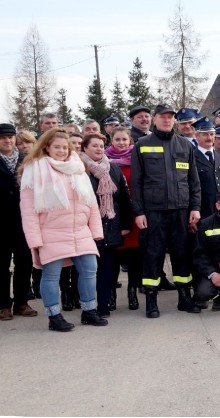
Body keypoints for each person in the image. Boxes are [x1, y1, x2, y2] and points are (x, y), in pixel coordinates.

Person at [19, 128, 107, 331]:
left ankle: (89, 311)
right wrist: (35, 240)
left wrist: (96, 231)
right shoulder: (34, 170)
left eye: (64, 147)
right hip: (51, 233)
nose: (61, 151)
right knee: (51, 275)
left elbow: (91, 202)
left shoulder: (78, 168)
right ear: (47, 147)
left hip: (80, 231)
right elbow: (28, 210)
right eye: (56, 147)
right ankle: (54, 316)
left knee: (89, 270)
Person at [131, 104, 203, 318]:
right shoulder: (142, 145)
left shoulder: (185, 145)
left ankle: (184, 298)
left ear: (175, 120)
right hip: (154, 212)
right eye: (163, 117)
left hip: (181, 211)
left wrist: (196, 208)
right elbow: (136, 183)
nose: (167, 120)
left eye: (171, 117)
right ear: (155, 120)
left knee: (182, 256)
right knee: (153, 256)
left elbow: (193, 181)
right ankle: (151, 301)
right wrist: (139, 212)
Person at [81, 133, 132, 317]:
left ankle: (103, 305)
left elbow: (125, 198)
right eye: (94, 145)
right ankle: (88, 305)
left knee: (107, 269)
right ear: (84, 148)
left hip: (111, 226)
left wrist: (126, 224)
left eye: (102, 146)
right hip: (87, 228)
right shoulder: (80, 169)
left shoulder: (112, 169)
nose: (99, 149)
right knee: (88, 270)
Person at [0, 123, 37, 321]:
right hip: (1, 222)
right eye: (3, 138)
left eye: (10, 137)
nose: (7, 140)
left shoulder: (27, 160)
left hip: (23, 219)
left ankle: (22, 302)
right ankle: (3, 305)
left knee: (25, 262)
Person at [104, 126, 143, 310]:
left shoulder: (137, 160)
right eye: (117, 139)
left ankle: (132, 293)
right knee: (113, 259)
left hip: (133, 215)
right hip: (112, 216)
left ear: (130, 141)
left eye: (124, 140)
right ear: (111, 141)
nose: (121, 143)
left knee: (135, 258)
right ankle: (111, 295)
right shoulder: (103, 162)